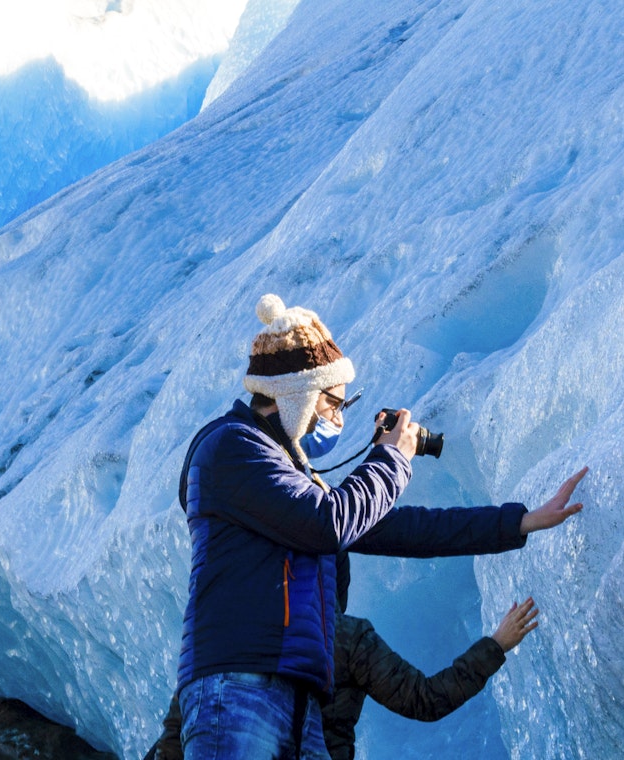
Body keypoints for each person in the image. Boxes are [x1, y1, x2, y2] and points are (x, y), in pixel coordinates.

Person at [174, 294, 586, 760]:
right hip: (241, 685)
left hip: (296, 693)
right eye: (333, 401)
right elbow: (330, 524)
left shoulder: (283, 479)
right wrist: (391, 457)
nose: (337, 416)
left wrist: (521, 521)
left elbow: (405, 530)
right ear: (297, 393)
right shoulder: (232, 448)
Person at [145, 599, 540, 760]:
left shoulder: (223, 635)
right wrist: (496, 644)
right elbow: (426, 699)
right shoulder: (345, 638)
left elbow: (172, 743)